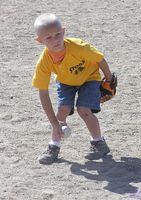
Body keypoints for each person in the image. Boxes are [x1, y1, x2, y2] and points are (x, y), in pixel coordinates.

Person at [32, 13, 112, 164]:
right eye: (48, 38)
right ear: (39, 40)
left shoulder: (79, 47)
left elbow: (100, 59)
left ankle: (98, 142)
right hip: (66, 82)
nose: (55, 40)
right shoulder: (43, 62)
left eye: (58, 34)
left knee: (84, 110)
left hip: (89, 78)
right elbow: (43, 93)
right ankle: (53, 146)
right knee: (61, 112)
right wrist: (54, 123)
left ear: (63, 31)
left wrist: (109, 80)